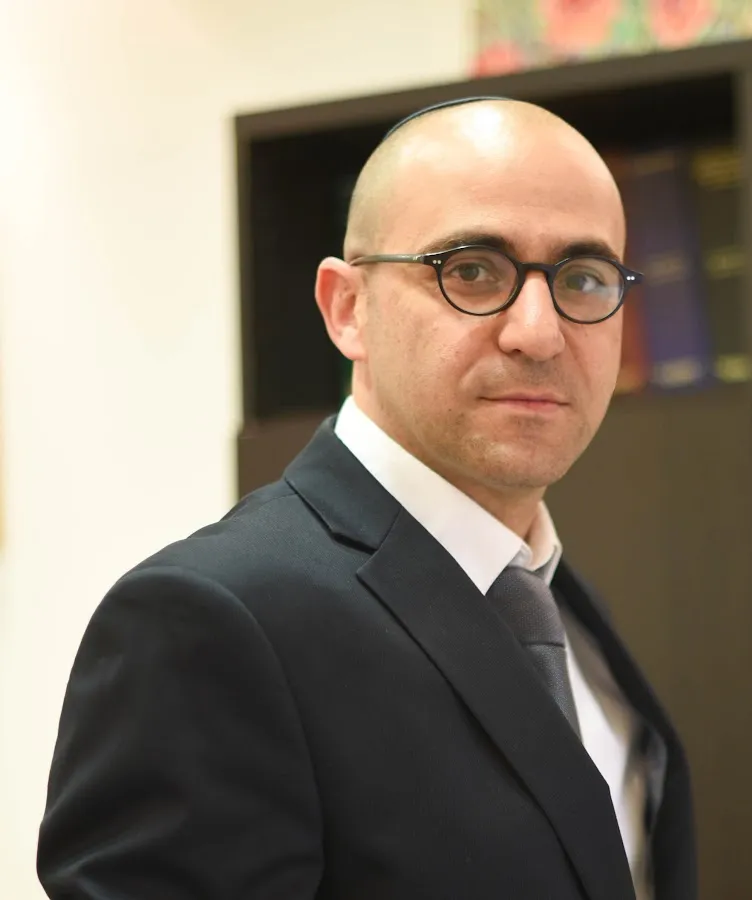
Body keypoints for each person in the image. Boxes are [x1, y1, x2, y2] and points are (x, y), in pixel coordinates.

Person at [36, 96, 697, 900]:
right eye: (472, 270)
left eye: (584, 279)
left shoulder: (555, 604)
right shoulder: (211, 622)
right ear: (347, 309)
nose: (538, 332)